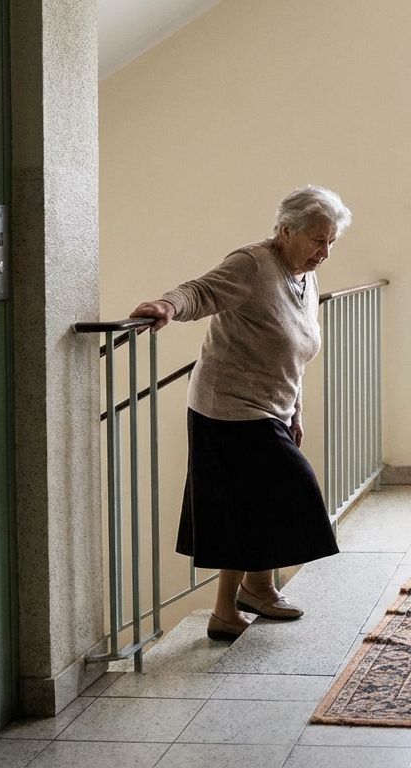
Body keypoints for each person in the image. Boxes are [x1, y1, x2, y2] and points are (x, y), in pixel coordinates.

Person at [129, 185, 351, 640]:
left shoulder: (305, 278)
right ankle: (228, 607)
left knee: (257, 500)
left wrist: (296, 411)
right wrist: (166, 306)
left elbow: (294, 353)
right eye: (317, 240)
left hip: (272, 406)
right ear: (286, 230)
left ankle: (256, 590)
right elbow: (200, 291)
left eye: (331, 241)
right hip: (227, 406)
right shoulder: (252, 264)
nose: (324, 252)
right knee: (274, 494)